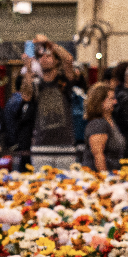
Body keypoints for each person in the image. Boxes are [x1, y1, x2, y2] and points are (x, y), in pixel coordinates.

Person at [25, 36, 78, 164]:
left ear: (56, 61)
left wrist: (49, 44)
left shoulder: (63, 82)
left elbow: (69, 59)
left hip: (65, 145)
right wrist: (28, 69)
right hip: (41, 145)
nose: (44, 59)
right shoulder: (36, 83)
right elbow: (26, 96)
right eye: (41, 56)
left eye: (48, 56)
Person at [82, 83, 126, 172]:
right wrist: (105, 178)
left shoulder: (111, 121)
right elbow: (98, 156)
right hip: (99, 177)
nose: (115, 102)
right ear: (100, 101)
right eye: (111, 99)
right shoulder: (98, 125)